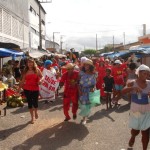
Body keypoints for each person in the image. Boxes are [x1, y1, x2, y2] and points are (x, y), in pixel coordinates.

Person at [121, 64, 150, 150]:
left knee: (146, 132)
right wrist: (132, 88)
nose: (147, 76)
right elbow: (122, 91)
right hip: (135, 111)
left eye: (148, 74)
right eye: (144, 73)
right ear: (138, 73)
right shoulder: (132, 82)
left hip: (147, 112)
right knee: (136, 130)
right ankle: (133, 136)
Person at [18, 58, 43, 124]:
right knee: (29, 103)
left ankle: (36, 112)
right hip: (27, 89)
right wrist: (18, 89)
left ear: (33, 63)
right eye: (29, 62)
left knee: (35, 103)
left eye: (31, 62)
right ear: (27, 64)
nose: (30, 64)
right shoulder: (25, 71)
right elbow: (22, 81)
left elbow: (42, 77)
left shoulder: (37, 70)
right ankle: (32, 118)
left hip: (35, 88)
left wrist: (40, 80)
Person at [79, 59, 97, 124]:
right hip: (82, 91)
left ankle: (85, 116)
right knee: (83, 105)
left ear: (90, 66)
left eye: (87, 65)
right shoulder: (81, 73)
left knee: (88, 106)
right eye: (85, 65)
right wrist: (79, 91)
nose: (86, 66)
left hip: (90, 92)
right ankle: (84, 119)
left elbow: (94, 84)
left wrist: (93, 89)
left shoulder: (94, 74)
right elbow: (78, 82)